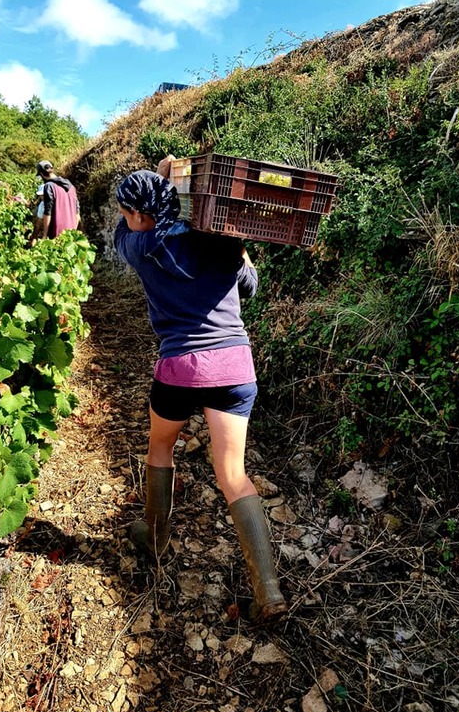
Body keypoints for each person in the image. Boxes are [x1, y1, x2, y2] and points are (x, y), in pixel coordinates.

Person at [113, 158, 288, 621]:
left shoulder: (141, 245)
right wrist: (236, 240)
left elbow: (124, 230)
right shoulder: (222, 239)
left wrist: (159, 182)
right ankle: (268, 591)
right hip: (236, 365)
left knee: (160, 449)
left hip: (180, 365)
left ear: (136, 212)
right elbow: (248, 286)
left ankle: (154, 538)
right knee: (233, 473)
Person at [36, 160, 80, 239]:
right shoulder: (71, 186)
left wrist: (44, 235)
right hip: (71, 234)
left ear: (42, 174)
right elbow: (77, 214)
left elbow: (48, 212)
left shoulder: (49, 186)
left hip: (57, 232)